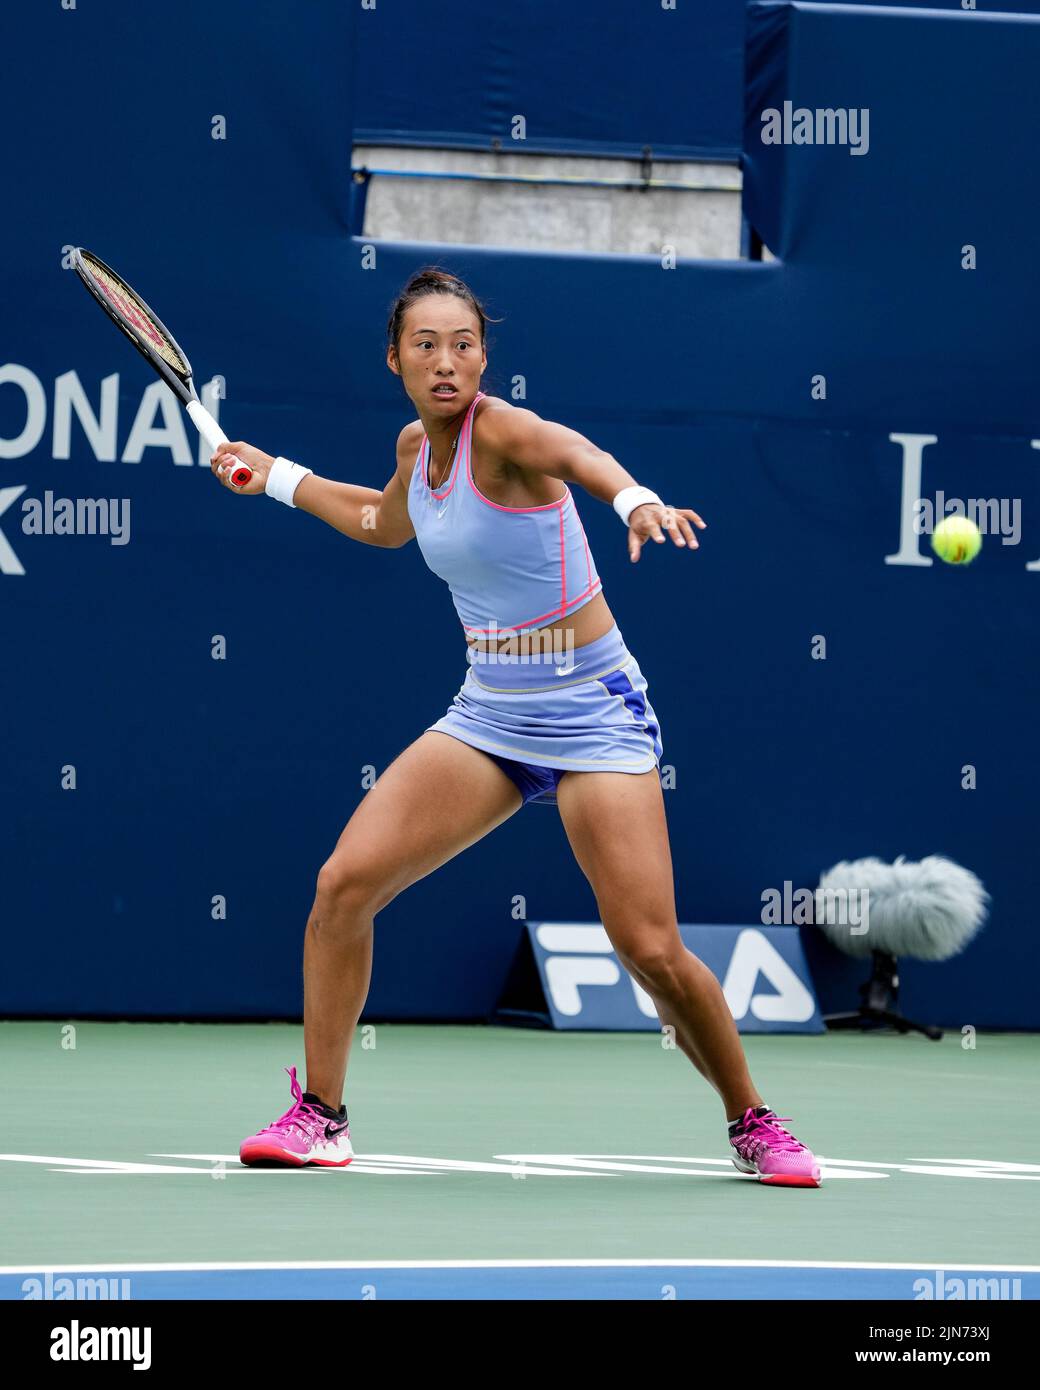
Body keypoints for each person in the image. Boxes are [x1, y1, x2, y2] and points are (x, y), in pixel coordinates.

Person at [211, 266, 821, 1188]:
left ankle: (753, 1121)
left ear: (484, 356)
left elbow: (576, 453)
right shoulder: (418, 447)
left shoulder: (503, 431)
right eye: (426, 345)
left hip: (593, 710)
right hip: (491, 711)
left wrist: (635, 500)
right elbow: (385, 523)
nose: (446, 362)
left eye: (463, 344)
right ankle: (322, 1117)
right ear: (395, 360)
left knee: (649, 947)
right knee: (343, 888)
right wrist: (277, 478)